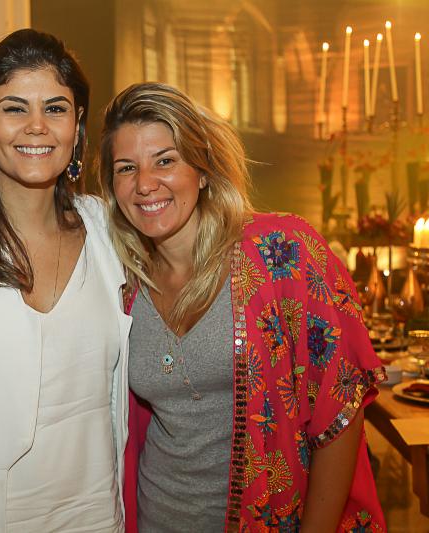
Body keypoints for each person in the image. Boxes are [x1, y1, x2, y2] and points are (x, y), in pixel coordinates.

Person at [98, 82, 386, 532]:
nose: (145, 183)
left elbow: (340, 410)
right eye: (126, 168)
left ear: (203, 170)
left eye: (165, 160)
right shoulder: (122, 282)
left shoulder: (282, 253)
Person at [0, 29, 131, 532]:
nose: (37, 126)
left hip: (93, 513)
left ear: (77, 128)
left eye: (55, 109)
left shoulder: (110, 231)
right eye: (14, 108)